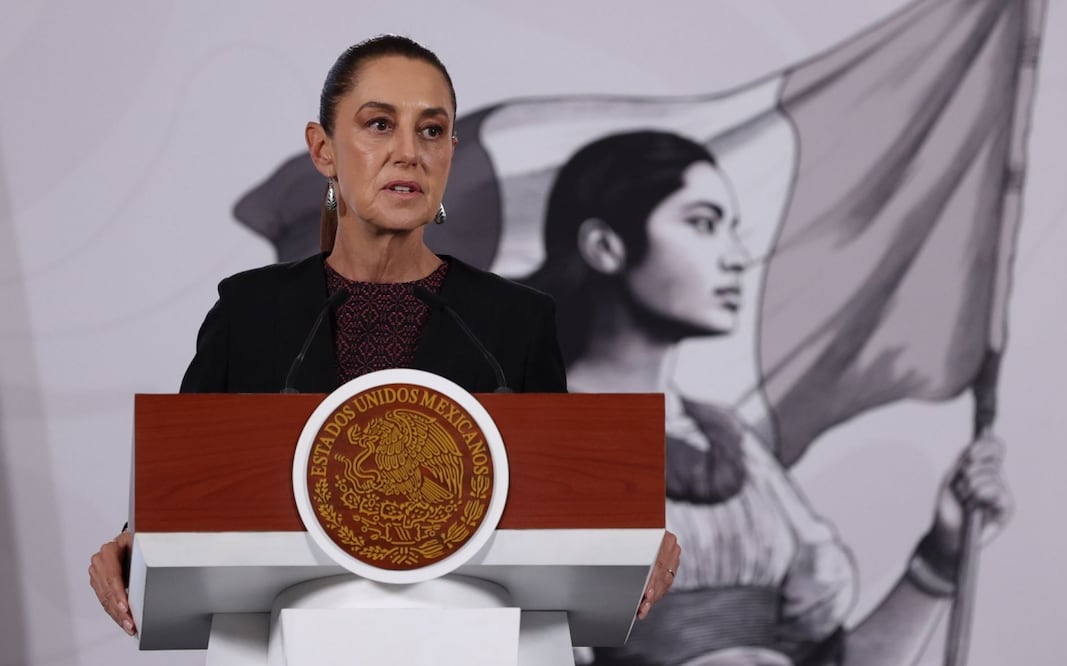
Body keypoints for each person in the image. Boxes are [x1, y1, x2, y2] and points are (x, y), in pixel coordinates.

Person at [88, 35, 681, 638]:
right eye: (378, 125)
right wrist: (134, 540)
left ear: (452, 152)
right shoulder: (251, 310)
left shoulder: (514, 321)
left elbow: (564, 501)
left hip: (465, 642)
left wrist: (630, 534)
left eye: (431, 131)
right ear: (323, 150)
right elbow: (188, 485)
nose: (408, 152)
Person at [523, 130, 1011, 666]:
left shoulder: (730, 441)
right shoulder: (537, 439)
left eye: (735, 230)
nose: (737, 256)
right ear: (606, 247)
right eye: (703, 224)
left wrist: (941, 558)